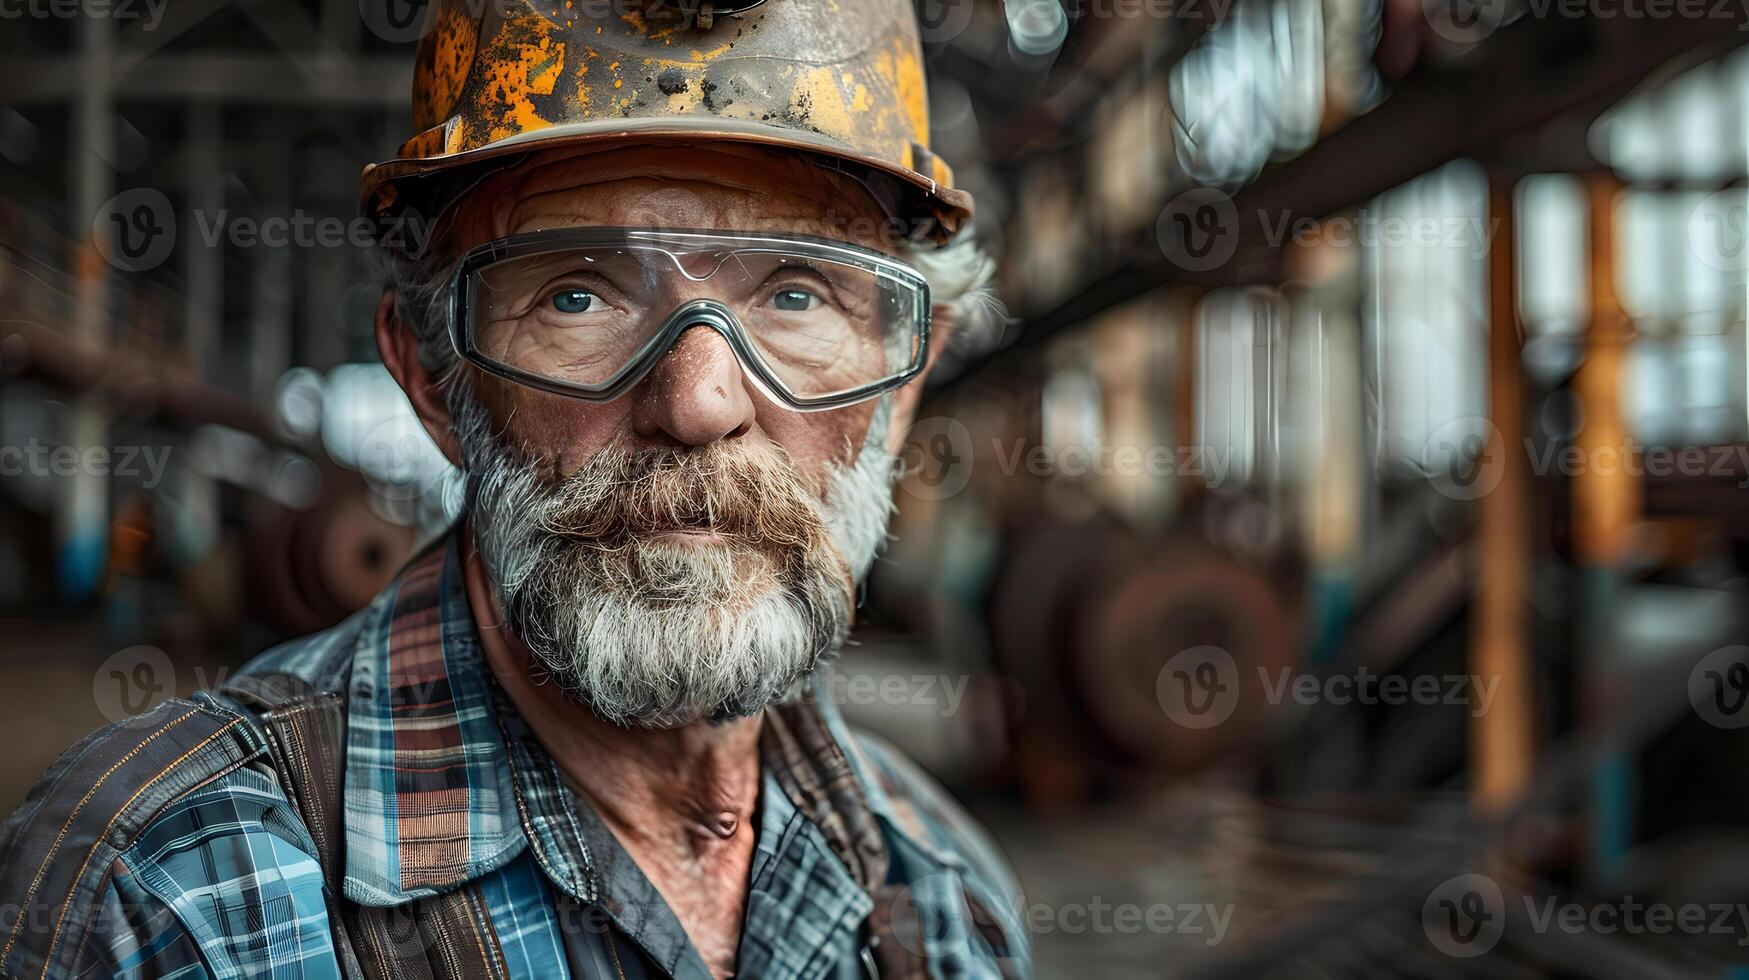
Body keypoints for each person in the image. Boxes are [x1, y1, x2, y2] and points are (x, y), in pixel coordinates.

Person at [0, 2, 1028, 977]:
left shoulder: (944, 898)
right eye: (577, 293)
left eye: (796, 292)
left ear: (902, 387)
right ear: (434, 381)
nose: (701, 400)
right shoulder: (165, 896)